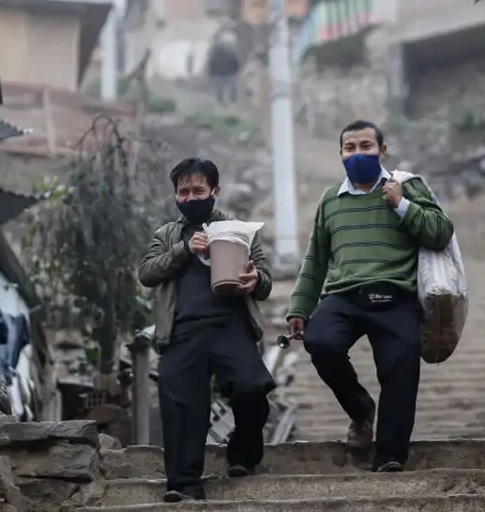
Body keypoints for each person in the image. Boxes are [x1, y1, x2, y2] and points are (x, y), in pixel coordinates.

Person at [286, 120, 454, 472]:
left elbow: (440, 233)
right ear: (341, 154)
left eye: (366, 146)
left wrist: (402, 205)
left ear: (383, 150)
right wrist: (299, 306)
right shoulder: (331, 200)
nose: (358, 153)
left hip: (395, 296)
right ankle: (361, 410)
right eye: (350, 148)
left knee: (399, 370)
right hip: (344, 295)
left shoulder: (408, 187)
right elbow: (316, 258)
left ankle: (390, 455)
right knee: (321, 342)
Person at [138, 157, 275, 502]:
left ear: (215, 191)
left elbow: (265, 281)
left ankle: (243, 452)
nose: (190, 197)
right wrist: (184, 249)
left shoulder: (241, 230)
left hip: (231, 328)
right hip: (182, 332)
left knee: (252, 388)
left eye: (198, 190)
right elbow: (147, 273)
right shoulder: (166, 234)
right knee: (182, 408)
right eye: (183, 191)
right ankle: (184, 486)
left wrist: (254, 279)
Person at [206, 34, 241, 105]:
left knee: (221, 90)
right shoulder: (230, 53)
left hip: (221, 75)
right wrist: (236, 72)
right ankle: (231, 101)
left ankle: (223, 102)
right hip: (227, 74)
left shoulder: (215, 55)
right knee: (231, 88)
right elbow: (235, 63)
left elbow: (211, 65)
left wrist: (210, 74)